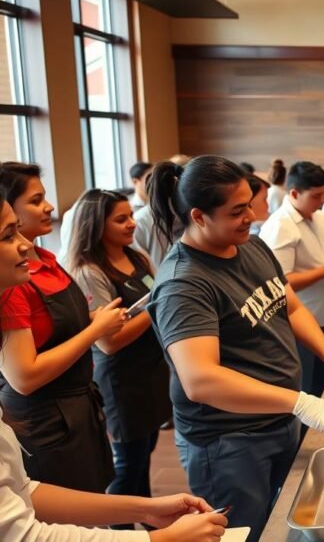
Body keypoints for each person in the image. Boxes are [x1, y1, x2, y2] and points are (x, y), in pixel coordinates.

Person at [145, 156, 324, 542]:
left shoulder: (250, 246)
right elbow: (201, 380)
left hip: (279, 418)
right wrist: (302, 402)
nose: (251, 215)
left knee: (279, 521)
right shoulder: (184, 284)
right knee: (242, 534)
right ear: (199, 216)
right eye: (237, 211)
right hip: (229, 442)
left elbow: (290, 304)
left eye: (250, 203)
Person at [0, 197, 228, 542]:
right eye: (7, 234)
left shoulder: (127, 258)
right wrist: (158, 538)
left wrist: (144, 508)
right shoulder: (76, 272)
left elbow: (23, 492)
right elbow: (23, 533)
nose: (24, 244)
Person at [0, 162, 124, 493]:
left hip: (78, 405)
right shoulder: (12, 284)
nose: (50, 207)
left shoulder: (47, 259)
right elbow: (24, 377)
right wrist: (94, 332)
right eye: (36, 200)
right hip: (44, 420)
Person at [65, 189, 173, 527]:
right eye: (121, 219)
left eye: (131, 216)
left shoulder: (137, 257)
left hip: (150, 372)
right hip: (121, 381)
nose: (131, 224)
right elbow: (109, 343)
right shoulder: (89, 272)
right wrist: (155, 307)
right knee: (127, 464)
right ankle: (122, 530)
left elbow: (157, 295)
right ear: (97, 225)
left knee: (144, 453)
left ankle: (146, 519)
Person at [260, 161, 324, 397]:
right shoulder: (280, 226)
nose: (323, 200)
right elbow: (279, 283)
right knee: (306, 392)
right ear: (294, 193)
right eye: (316, 195)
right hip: (299, 323)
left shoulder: (319, 217)